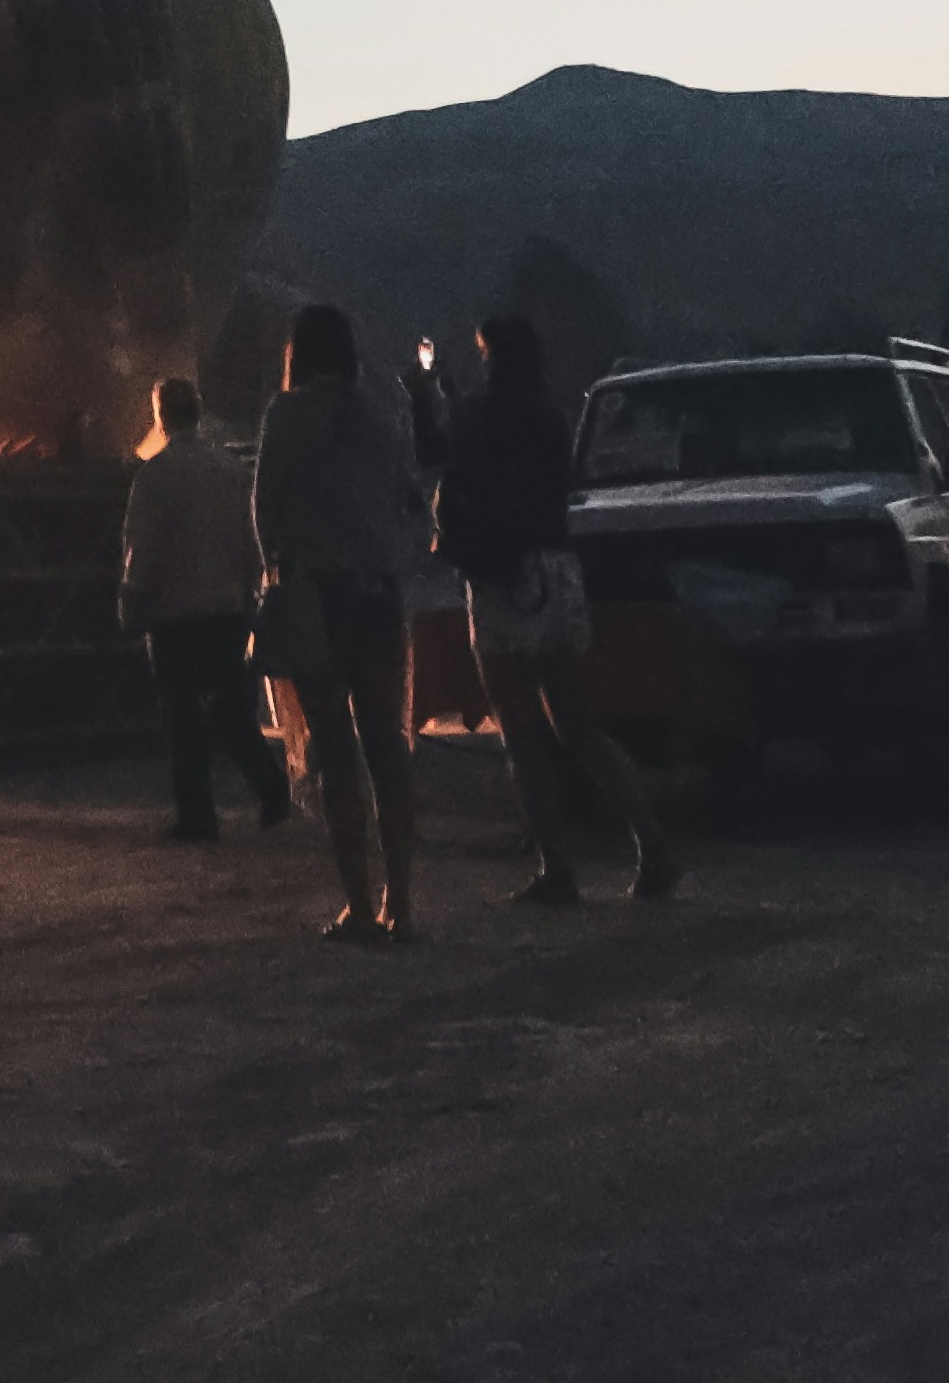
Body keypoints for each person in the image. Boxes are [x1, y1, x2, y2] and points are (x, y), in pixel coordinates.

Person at [437, 315, 677, 903]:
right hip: (557, 569)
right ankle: (652, 842)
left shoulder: (474, 416)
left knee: (520, 730)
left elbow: (448, 463)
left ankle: (556, 866)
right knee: (578, 724)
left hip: (502, 579)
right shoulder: (550, 418)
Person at [253, 298, 431, 942]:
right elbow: (414, 506)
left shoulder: (287, 414)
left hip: (318, 596)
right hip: (378, 597)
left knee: (334, 750)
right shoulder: (380, 414)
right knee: (387, 746)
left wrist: (279, 570)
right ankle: (402, 903)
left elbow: (264, 508)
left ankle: (357, 903)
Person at [119, 375, 288, 843]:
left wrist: (132, 599)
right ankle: (272, 788)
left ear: (160, 416)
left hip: (174, 614)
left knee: (182, 718)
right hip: (225, 610)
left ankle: (198, 815)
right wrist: (249, 596)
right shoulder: (230, 470)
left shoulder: (154, 477)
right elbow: (250, 542)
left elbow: (142, 548)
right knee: (232, 711)